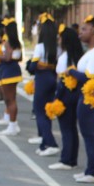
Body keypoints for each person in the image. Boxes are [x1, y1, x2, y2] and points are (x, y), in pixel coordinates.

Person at [73, 15, 94, 183]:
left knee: (90, 133)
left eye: (84, 29)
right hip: (84, 96)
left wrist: (71, 72)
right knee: (86, 133)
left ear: (93, 30)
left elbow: (89, 77)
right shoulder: (92, 51)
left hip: (91, 98)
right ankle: (90, 168)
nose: (80, 32)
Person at [49, 24, 85, 171]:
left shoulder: (65, 57)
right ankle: (71, 159)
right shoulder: (79, 56)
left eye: (60, 38)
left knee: (66, 128)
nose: (58, 41)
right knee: (72, 128)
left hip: (65, 93)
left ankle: (66, 160)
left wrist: (57, 97)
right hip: (76, 94)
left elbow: (61, 78)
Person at [28, 13, 60, 157]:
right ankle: (44, 144)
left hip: (42, 80)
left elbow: (32, 66)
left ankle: (51, 143)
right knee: (47, 111)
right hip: (52, 78)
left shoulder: (40, 47)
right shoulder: (58, 47)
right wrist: (48, 66)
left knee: (39, 111)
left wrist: (40, 66)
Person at [0, 18, 23, 136]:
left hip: (8, 72)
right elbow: (19, 58)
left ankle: (13, 125)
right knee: (10, 99)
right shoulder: (17, 43)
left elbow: (7, 58)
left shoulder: (8, 43)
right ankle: (12, 123)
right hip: (14, 71)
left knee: (10, 99)